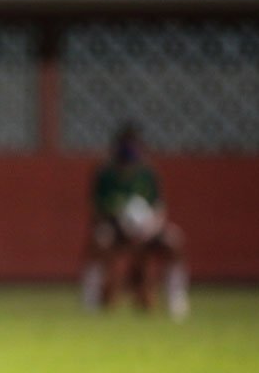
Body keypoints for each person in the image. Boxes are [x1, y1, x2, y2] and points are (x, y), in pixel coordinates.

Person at [80, 123, 189, 319]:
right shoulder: (105, 173)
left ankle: (177, 298)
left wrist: (150, 227)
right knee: (99, 241)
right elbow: (96, 208)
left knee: (174, 241)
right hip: (115, 227)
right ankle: (92, 299)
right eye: (126, 143)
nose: (130, 149)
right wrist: (119, 221)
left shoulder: (148, 174)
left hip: (147, 228)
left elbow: (159, 207)